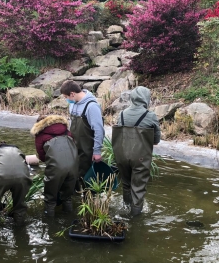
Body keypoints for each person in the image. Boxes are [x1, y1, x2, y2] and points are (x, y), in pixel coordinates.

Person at [112, 86, 161, 216]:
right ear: (146, 99)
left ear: (132, 98)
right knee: (138, 189)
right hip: (140, 158)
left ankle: (125, 210)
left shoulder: (121, 114)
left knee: (126, 185)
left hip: (121, 156)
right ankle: (135, 220)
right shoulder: (150, 116)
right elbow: (156, 140)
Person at [30, 115, 79, 217]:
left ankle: (49, 226)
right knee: (67, 197)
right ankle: (69, 220)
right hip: (73, 166)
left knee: (50, 199)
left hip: (56, 168)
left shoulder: (40, 135)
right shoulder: (66, 131)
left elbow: (42, 157)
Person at [60, 80, 104, 189]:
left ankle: (89, 199)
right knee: (74, 175)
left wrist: (97, 151)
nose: (66, 100)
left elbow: (99, 130)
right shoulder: (72, 104)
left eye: (66, 97)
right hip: (75, 147)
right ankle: (77, 198)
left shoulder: (91, 106)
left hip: (87, 149)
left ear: (72, 94)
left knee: (87, 179)